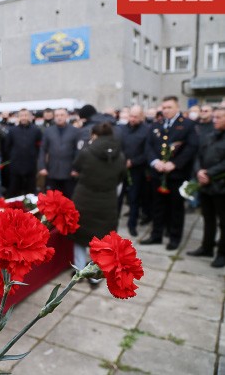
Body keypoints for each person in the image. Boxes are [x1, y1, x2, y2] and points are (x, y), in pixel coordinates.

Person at [70, 122, 126, 287]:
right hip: (107, 201)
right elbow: (122, 176)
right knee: (102, 240)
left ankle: (79, 271)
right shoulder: (120, 155)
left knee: (80, 237)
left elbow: (76, 168)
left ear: (94, 135)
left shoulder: (86, 152)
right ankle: (95, 276)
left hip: (84, 200)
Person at [141, 96, 199, 250]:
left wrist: (174, 164)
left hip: (176, 175)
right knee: (157, 207)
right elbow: (148, 146)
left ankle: (174, 238)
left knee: (176, 208)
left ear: (177, 108)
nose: (166, 110)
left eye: (169, 107)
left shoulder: (187, 125)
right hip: (157, 173)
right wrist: (155, 162)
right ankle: (156, 235)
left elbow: (191, 148)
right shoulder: (156, 124)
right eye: (164, 107)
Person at [187, 107, 225, 268]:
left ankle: (222, 254)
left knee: (223, 222)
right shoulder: (210, 136)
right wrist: (199, 171)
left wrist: (209, 173)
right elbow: (198, 156)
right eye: (214, 117)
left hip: (221, 187)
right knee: (208, 218)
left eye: (219, 117)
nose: (214, 120)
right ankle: (206, 247)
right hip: (205, 185)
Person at [118, 105, 150, 236]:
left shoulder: (147, 130)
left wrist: (133, 162)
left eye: (135, 117)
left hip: (137, 170)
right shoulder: (122, 129)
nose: (132, 119)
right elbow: (118, 146)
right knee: (118, 198)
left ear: (142, 117)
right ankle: (113, 223)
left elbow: (147, 152)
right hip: (121, 169)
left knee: (134, 199)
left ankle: (132, 225)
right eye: (130, 116)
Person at [38, 108, 79, 198]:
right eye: (57, 115)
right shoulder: (48, 131)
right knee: (52, 198)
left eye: (62, 115)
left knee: (68, 198)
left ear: (67, 116)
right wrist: (42, 166)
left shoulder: (75, 131)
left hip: (69, 172)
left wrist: (76, 168)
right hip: (52, 171)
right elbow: (43, 149)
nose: (59, 117)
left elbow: (78, 151)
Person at [5, 109, 42, 196]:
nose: (24, 117)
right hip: (16, 165)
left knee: (30, 191)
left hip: (30, 165)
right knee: (14, 190)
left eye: (26, 115)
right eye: (22, 115)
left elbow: (39, 146)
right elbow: (7, 146)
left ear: (29, 117)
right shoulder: (12, 130)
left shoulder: (36, 130)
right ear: (18, 117)